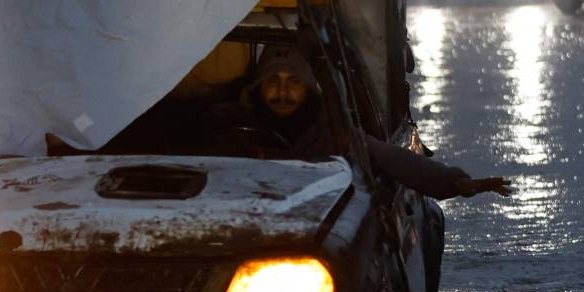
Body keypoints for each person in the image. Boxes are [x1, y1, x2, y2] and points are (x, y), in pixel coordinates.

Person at [218, 44, 511, 200]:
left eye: (293, 82)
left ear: (308, 89)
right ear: (258, 87)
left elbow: (395, 160)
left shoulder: (334, 134)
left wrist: (456, 182)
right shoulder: (229, 132)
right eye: (273, 81)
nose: (282, 92)